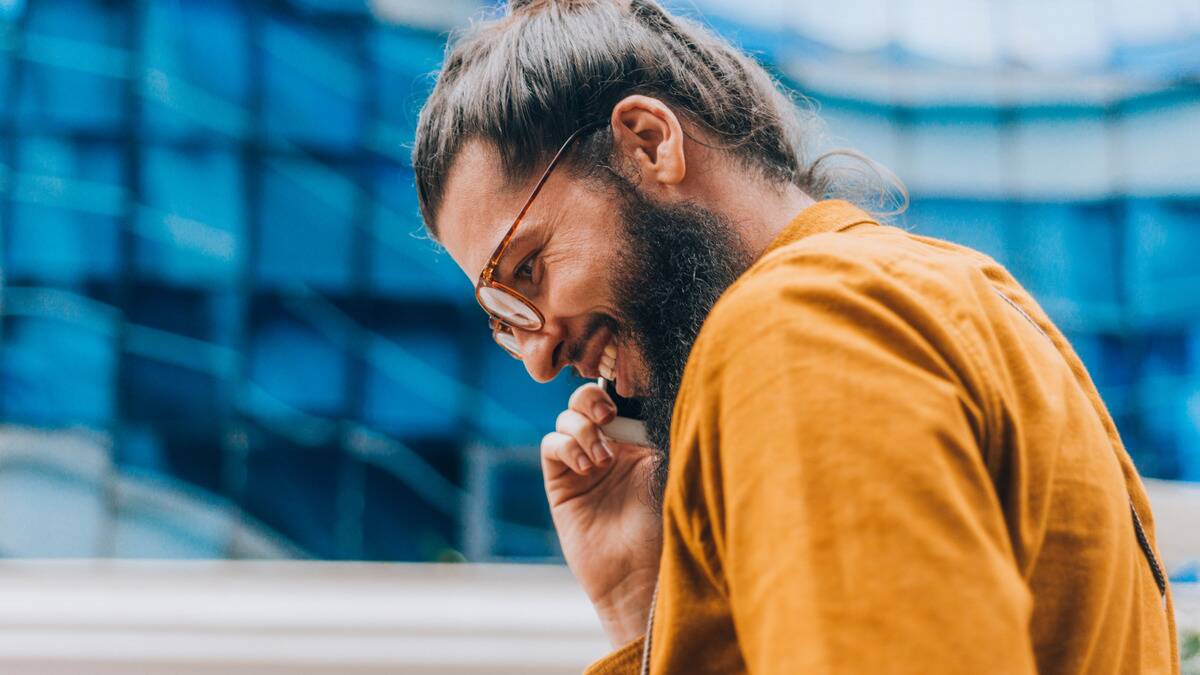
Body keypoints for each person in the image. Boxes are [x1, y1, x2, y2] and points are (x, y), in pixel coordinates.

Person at [411, 0, 1180, 672]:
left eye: (528, 270)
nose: (540, 356)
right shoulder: (948, 293)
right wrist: (639, 608)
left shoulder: (801, 329)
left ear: (648, 142)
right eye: (506, 320)